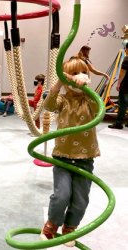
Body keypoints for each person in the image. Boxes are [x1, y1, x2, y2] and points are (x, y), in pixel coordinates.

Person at [40, 57, 100, 247]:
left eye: (81, 74)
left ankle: (70, 227)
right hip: (63, 157)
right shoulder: (63, 100)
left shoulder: (89, 99)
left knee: (81, 199)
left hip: (85, 158)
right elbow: (48, 106)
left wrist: (85, 88)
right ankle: (52, 224)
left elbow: (99, 110)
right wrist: (60, 81)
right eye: (72, 74)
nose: (77, 78)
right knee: (62, 195)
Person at [108, 43, 128, 129]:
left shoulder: (127, 59)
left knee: (122, 104)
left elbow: (122, 73)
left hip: (126, 85)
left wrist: (118, 83)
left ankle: (119, 123)